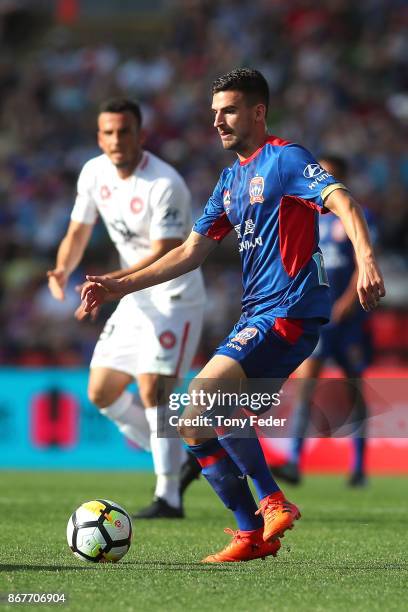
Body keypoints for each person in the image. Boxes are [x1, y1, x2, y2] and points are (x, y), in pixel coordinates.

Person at [80, 69, 385, 563]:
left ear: (258, 112)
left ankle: (271, 501)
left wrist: (368, 260)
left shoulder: (286, 159)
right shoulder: (230, 180)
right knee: (194, 422)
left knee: (204, 395)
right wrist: (119, 284)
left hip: (288, 310)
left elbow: (342, 201)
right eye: (214, 111)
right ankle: (251, 535)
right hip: (258, 316)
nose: (217, 120)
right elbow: (190, 252)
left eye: (229, 110)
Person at [47, 98, 206, 518]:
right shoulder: (93, 173)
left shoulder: (164, 183)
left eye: (125, 131)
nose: (117, 139)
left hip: (174, 296)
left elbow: (166, 251)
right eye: (109, 132)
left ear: (141, 135)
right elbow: (78, 230)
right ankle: (185, 456)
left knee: (155, 389)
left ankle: (168, 496)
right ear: (99, 137)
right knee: (101, 392)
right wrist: (63, 269)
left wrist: (114, 283)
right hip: (133, 297)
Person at [271, 155, 377, 487]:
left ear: (342, 179)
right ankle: (293, 462)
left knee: (353, 390)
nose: (320, 179)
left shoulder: (355, 216)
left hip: (349, 319)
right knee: (305, 388)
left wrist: (347, 302)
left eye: (329, 174)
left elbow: (363, 260)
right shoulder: (306, 216)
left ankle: (359, 466)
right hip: (317, 317)